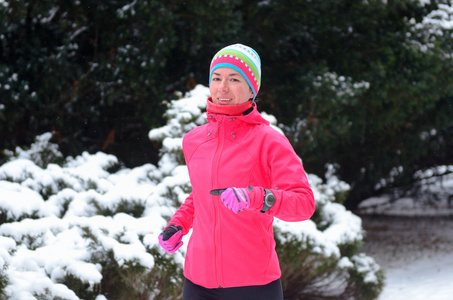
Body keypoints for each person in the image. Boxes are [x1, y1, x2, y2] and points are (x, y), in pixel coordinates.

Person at [159, 43, 315, 300]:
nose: (223, 87)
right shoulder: (194, 141)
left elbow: (304, 203)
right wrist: (179, 224)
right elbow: (201, 196)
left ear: (252, 89)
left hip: (253, 284)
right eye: (217, 78)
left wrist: (257, 198)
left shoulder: (268, 140)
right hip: (198, 282)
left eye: (234, 79)